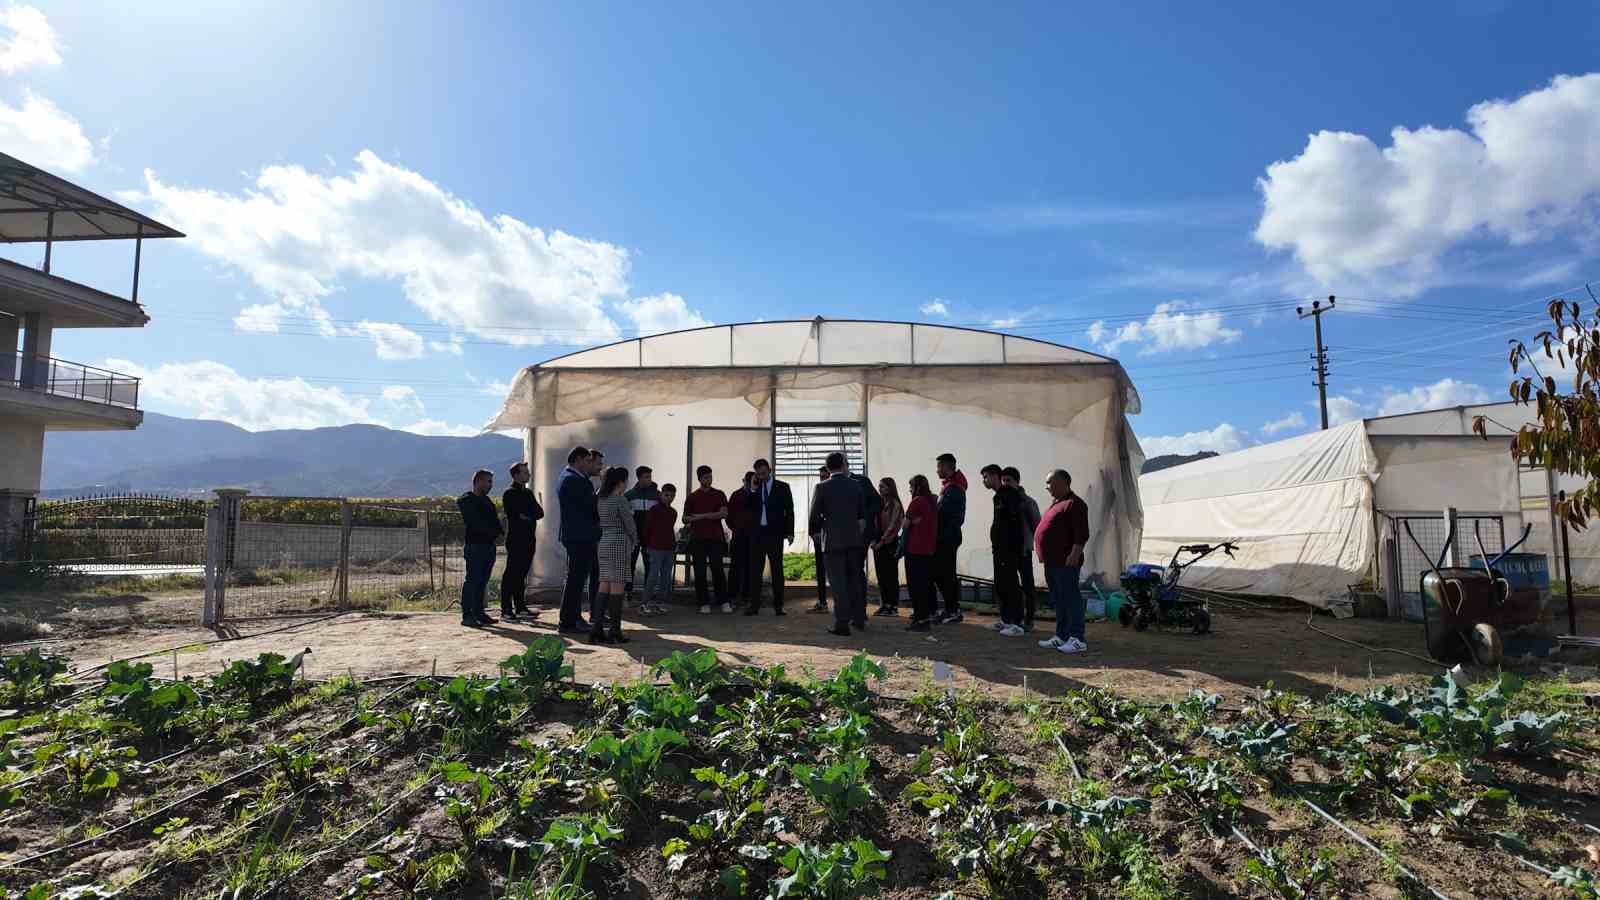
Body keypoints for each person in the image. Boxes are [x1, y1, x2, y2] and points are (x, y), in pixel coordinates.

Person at [1037, 468, 1092, 654]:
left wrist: (1075, 553)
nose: (1046, 487)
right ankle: (1062, 635)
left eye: (1049, 482)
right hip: (1052, 562)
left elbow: (1082, 533)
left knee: (1071, 599)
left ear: (1062, 482)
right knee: (1059, 600)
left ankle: (1077, 639)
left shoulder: (1075, 504)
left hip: (1065, 561)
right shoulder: (1057, 503)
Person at [810, 452, 866, 636]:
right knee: (855, 580)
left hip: (832, 541)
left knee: (838, 583)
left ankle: (842, 623)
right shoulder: (856, 485)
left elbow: (814, 515)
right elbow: (861, 516)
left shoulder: (821, 487)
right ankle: (858, 618)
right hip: (854, 540)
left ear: (827, 468)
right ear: (843, 464)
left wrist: (817, 532)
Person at [557, 446, 601, 633]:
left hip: (579, 534)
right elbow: (591, 505)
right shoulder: (572, 480)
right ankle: (569, 621)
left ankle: (573, 617)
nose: (589, 464)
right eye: (587, 460)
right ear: (578, 459)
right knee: (576, 579)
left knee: (576, 578)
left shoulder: (572, 478)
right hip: (580, 535)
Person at [593, 466, 638, 644]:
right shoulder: (619, 500)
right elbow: (630, 524)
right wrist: (635, 540)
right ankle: (614, 631)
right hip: (619, 542)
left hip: (604, 542)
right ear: (620, 482)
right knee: (617, 587)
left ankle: (597, 629)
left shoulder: (600, 498)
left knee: (604, 585)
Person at [982, 463, 1027, 636]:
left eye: (986, 477)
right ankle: (1006, 619)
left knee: (1010, 584)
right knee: (1001, 584)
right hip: (999, 548)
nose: (984, 481)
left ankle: (1017, 623)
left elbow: (1015, 522)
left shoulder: (1009, 494)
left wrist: (1011, 545)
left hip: (1008, 548)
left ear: (995, 476)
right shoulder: (999, 496)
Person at [745, 458, 795, 615]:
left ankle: (779, 606)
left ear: (770, 470)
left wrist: (790, 532)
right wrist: (752, 489)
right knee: (755, 571)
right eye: (759, 474)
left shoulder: (783, 487)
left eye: (764, 473)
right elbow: (749, 508)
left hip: (775, 534)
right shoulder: (753, 488)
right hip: (757, 535)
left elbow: (790, 511)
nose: (761, 477)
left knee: (777, 571)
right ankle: (754, 606)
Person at [456, 469, 503, 628]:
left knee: (483, 581)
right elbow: (474, 522)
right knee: (472, 580)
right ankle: (467, 615)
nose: (490, 485)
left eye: (491, 482)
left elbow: (495, 522)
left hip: (488, 546)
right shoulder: (466, 500)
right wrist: (490, 531)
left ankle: (479, 612)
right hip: (475, 546)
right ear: (478, 481)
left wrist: (495, 532)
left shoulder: (487, 501)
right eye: (488, 481)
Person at [683, 465, 732, 614]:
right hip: (697, 539)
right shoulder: (692, 497)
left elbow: (723, 514)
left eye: (710, 477)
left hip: (716, 538)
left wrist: (700, 516)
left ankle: (723, 601)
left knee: (717, 570)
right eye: (706, 477)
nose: (709, 480)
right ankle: (703, 602)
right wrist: (694, 518)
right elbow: (685, 518)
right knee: (700, 572)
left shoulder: (719, 494)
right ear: (699, 479)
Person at [500, 461, 544, 621]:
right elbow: (516, 515)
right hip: (516, 539)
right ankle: (506, 609)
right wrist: (527, 513)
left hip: (529, 539)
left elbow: (540, 512)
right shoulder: (509, 493)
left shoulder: (527, 493)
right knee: (511, 574)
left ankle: (520, 607)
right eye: (525, 472)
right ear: (516, 475)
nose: (528, 475)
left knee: (522, 574)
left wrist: (527, 514)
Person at [1002, 466, 1042, 631]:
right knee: (1009, 584)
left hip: (1023, 550)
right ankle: (1012, 617)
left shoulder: (1027, 501)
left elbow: (1037, 526)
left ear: (1017, 482)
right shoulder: (1002, 499)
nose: (1005, 484)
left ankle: (1029, 618)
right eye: (1003, 481)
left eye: (1008, 481)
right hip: (1007, 550)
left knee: (1027, 584)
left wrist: (1031, 545)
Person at [932, 453, 968, 624]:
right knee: (942, 573)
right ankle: (950, 608)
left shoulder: (953, 489)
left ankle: (953, 609)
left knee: (944, 574)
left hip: (947, 537)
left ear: (947, 467)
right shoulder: (950, 487)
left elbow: (944, 513)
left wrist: (932, 509)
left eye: (939, 466)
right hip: (946, 536)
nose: (937, 470)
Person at [902, 475, 938, 631]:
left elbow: (905, 525)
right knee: (925, 585)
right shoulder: (932, 502)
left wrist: (913, 522)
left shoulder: (917, 501)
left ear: (916, 487)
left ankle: (920, 619)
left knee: (915, 586)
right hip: (928, 549)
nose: (910, 489)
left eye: (911, 486)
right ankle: (926, 616)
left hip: (915, 549)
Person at [624, 466, 660, 606]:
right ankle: (628, 594)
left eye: (650, 476)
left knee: (650, 565)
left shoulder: (657, 495)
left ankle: (648, 595)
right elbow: (625, 516)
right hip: (633, 536)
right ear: (638, 478)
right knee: (630, 564)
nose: (649, 479)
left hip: (650, 537)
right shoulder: (629, 495)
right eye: (646, 477)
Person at [641, 483, 679, 615]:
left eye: (672, 496)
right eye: (667, 495)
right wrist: (647, 545)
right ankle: (644, 603)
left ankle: (660, 603)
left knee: (666, 577)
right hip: (655, 547)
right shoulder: (654, 510)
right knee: (653, 575)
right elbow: (648, 529)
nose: (669, 498)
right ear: (661, 494)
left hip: (669, 548)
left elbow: (669, 530)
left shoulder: (673, 512)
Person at [871, 477, 905, 617]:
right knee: (881, 575)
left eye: (883, 486)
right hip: (879, 542)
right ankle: (884, 604)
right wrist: (873, 540)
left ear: (890, 488)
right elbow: (873, 522)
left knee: (890, 575)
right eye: (879, 486)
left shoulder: (895, 504)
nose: (880, 489)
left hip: (889, 543)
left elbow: (893, 526)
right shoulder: (879, 503)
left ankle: (893, 605)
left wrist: (882, 541)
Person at [727, 471, 756, 603]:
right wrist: (735, 528)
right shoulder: (736, 495)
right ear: (743, 481)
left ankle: (747, 595)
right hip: (739, 535)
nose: (749, 484)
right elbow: (729, 515)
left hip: (752, 536)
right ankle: (733, 594)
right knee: (736, 566)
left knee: (750, 565)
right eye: (747, 481)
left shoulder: (757, 494)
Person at [807, 464, 831, 614]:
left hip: (833, 536)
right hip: (820, 537)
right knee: (821, 570)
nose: (822, 479)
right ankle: (822, 601)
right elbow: (813, 513)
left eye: (825, 476)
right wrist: (813, 532)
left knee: (835, 570)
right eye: (821, 477)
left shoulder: (832, 490)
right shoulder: (819, 489)